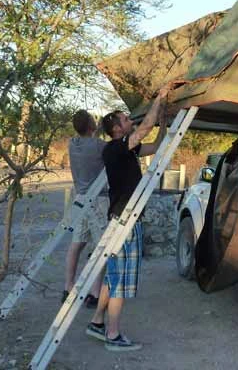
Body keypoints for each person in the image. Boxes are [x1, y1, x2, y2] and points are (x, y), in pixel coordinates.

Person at [85, 85, 169, 352]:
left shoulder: (128, 150)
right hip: (125, 223)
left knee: (112, 277)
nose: (130, 121)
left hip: (121, 221)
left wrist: (165, 124)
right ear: (117, 130)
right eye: (125, 119)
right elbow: (144, 129)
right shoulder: (114, 149)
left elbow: (155, 144)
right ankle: (113, 335)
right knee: (120, 282)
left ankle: (97, 322)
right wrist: (159, 97)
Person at [64, 110, 109, 308]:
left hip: (80, 199)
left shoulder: (72, 144)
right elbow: (104, 147)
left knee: (77, 242)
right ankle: (94, 292)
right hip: (98, 199)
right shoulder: (100, 146)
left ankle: (68, 286)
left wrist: (94, 130)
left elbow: (90, 141)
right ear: (92, 126)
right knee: (101, 247)